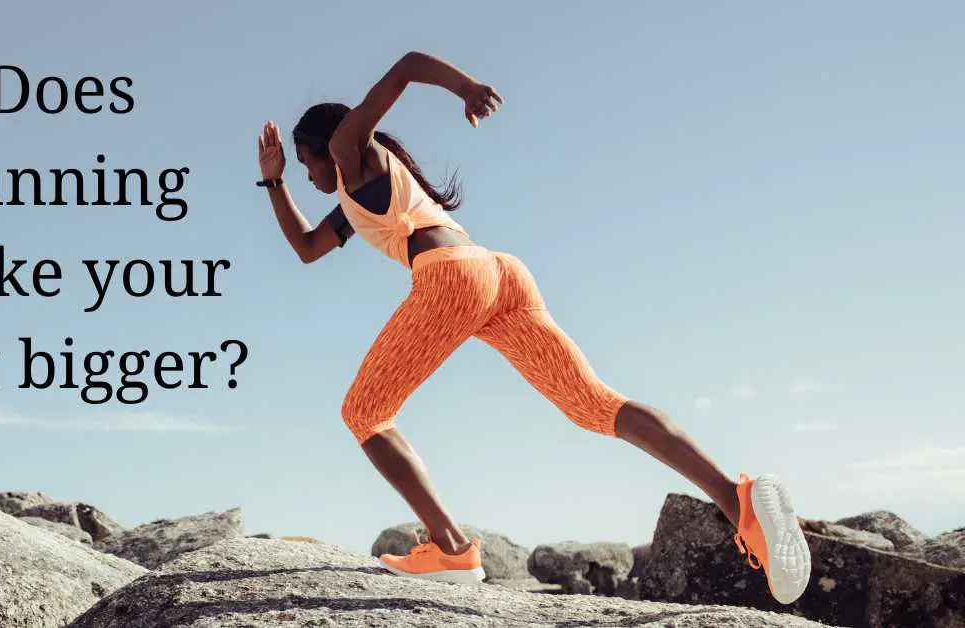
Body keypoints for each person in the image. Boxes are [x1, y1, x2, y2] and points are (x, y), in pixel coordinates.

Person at [256, 50, 812, 604]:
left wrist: (466, 86)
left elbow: (403, 67)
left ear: (325, 149)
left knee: (364, 412)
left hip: (452, 279)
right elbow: (307, 249)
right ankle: (738, 502)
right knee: (595, 405)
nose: (307, 175)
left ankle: (450, 548)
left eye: (304, 165)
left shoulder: (347, 150)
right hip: (502, 276)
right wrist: (273, 182)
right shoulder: (362, 196)